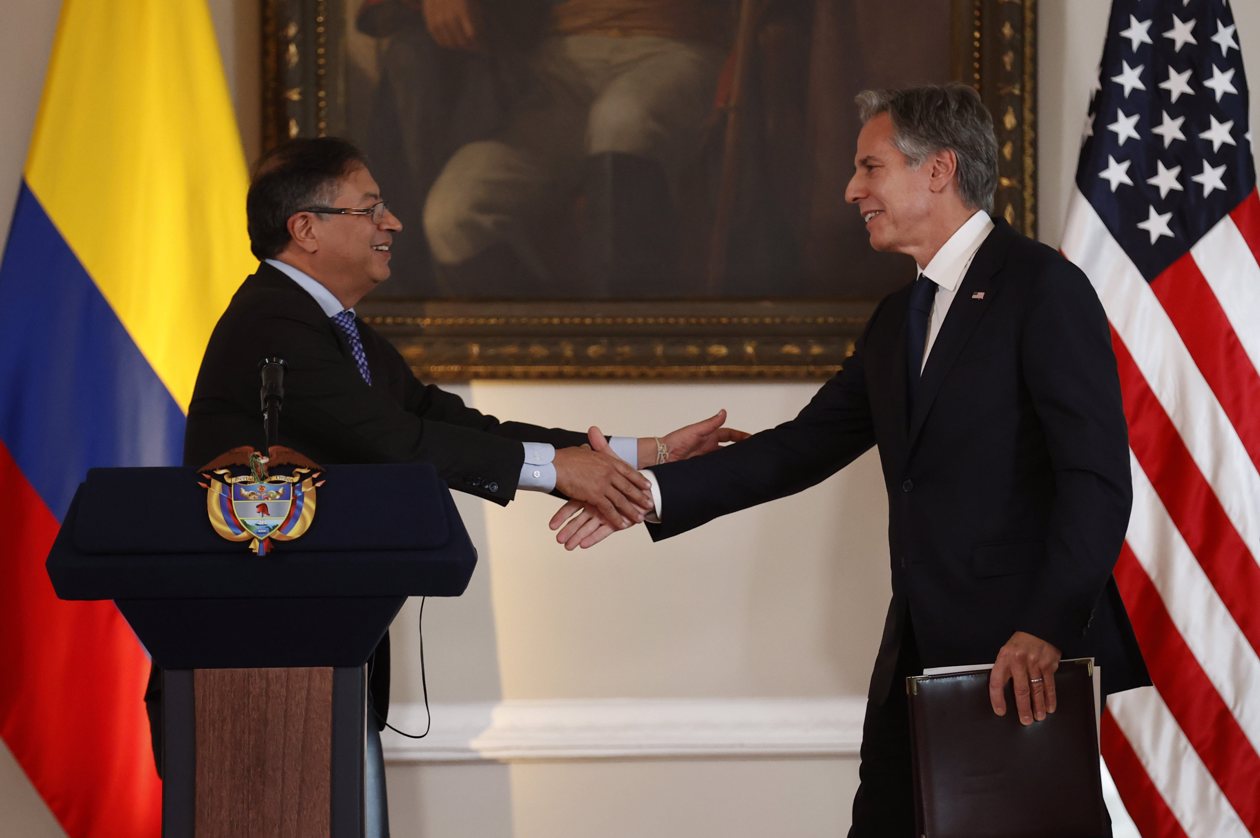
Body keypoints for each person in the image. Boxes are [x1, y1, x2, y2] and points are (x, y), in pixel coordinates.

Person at [552, 84, 1150, 835]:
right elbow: (802, 449)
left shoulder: (1042, 287)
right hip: (917, 654)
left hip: (1020, 660)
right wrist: (644, 492)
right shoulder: (899, 317)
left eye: (870, 168)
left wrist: (1047, 626)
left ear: (938, 170)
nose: (851, 190)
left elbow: (1095, 479)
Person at [154, 136, 745, 836]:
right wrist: (560, 471)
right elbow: (398, 444)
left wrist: (642, 452)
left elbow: (453, 422)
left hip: (313, 661)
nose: (393, 223)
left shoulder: (337, 330)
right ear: (305, 228)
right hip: (253, 672)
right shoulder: (271, 324)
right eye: (370, 208)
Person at [420, 0, 735, 297]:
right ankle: (542, 343)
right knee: (452, 216)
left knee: (621, 120)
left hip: (677, 47)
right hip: (559, 66)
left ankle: (624, 339)